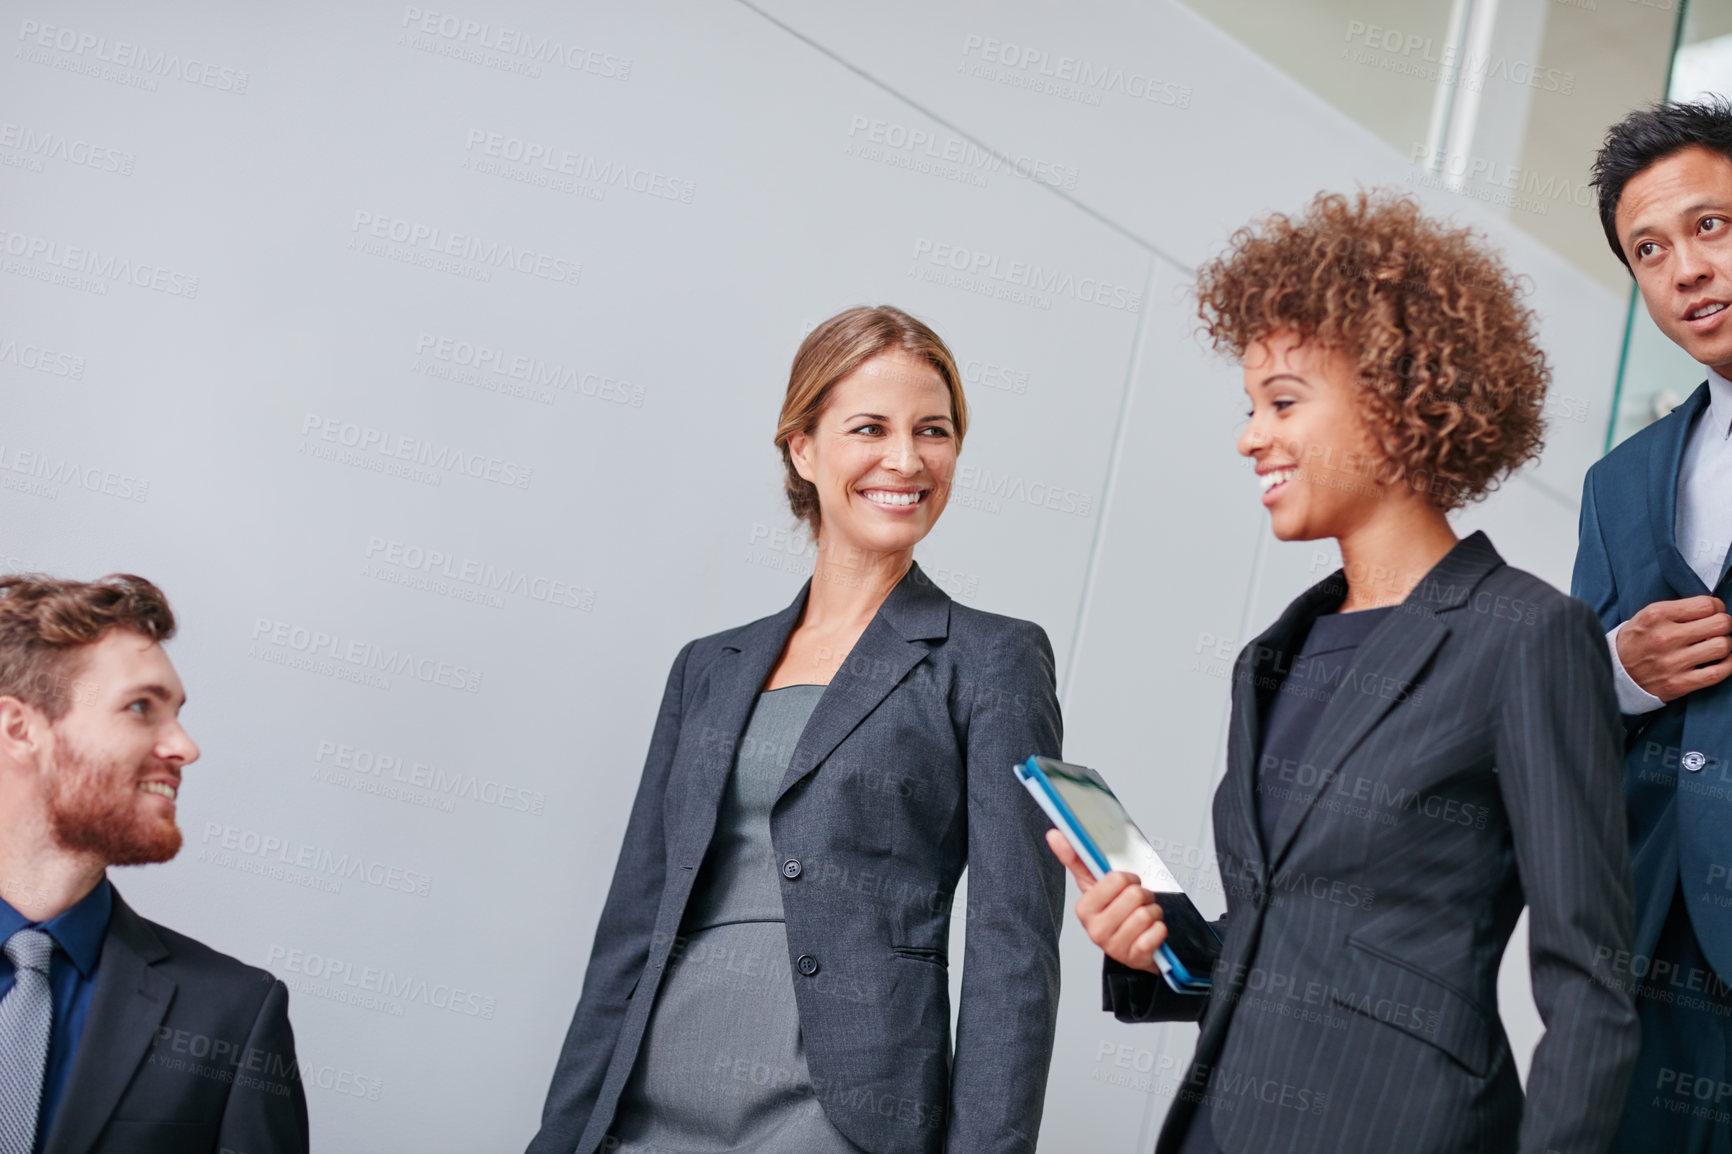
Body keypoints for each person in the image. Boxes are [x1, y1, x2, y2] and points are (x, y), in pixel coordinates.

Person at [1048, 191, 1639, 1154]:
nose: (1250, 436)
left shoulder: (1526, 637)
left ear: (1400, 397)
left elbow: (1592, 991)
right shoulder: (1273, 659)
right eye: (1250, 408)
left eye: (1283, 401)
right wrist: (1154, 944)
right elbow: (1283, 938)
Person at [528, 306, 1065, 1154]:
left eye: (934, 429)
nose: (906, 458)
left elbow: (1014, 950)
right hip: (647, 1099)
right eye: (870, 427)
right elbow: (632, 922)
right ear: (802, 447)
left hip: (839, 1116)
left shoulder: (992, 659)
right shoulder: (707, 667)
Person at [0, 573, 308, 1154]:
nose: (185, 747)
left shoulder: (233, 1016)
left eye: (177, 712)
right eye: (141, 707)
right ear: (20, 729)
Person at [1576, 98, 1732, 1154]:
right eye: (1649, 247)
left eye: (1710, 225)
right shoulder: (1616, 480)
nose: (1684, 268)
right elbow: (1564, 699)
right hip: (1641, 948)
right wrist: (1619, 671)